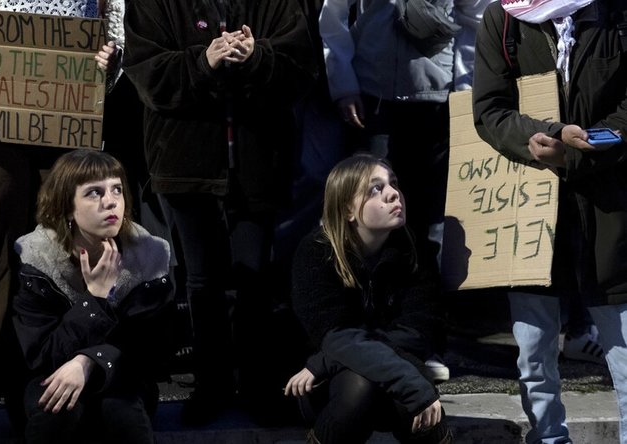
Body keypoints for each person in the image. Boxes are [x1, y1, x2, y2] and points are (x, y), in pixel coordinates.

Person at [122, 0, 316, 424]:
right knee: (201, 279)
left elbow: (302, 68)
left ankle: (258, 386)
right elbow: (147, 74)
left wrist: (258, 57)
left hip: (259, 161)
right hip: (183, 162)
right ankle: (211, 386)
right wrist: (202, 61)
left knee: (255, 277)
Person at [0, 0, 124, 435]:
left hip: (65, 125)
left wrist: (109, 63)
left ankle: (49, 373)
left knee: (62, 241)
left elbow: (113, 38)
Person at [473, 0, 627, 442]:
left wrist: (580, 151)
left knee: (624, 354)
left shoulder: (615, 12)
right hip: (528, 213)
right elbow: (489, 110)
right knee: (534, 356)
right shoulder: (504, 17)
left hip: (611, 214)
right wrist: (546, 136)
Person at [318, 0, 462, 382]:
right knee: (363, 223)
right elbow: (333, 17)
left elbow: (474, 16)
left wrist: (465, 91)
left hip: (436, 100)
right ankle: (365, 337)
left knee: (428, 227)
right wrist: (343, 82)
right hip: (372, 96)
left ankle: (423, 341)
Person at [285, 153, 452, 444]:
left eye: (393, 183)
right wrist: (331, 357)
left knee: (416, 400)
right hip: (323, 386)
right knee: (361, 384)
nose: (393, 193)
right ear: (348, 209)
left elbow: (419, 333)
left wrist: (328, 359)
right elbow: (334, 335)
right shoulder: (316, 253)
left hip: (386, 368)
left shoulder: (414, 251)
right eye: (376, 189)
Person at [12, 150, 175, 444]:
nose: (111, 201)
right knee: (56, 409)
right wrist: (95, 299)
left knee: (122, 413)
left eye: (117, 189)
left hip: (123, 379)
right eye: (94, 193)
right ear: (66, 207)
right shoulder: (37, 259)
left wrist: (90, 362)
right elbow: (40, 356)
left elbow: (152, 351)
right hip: (51, 377)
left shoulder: (148, 255)